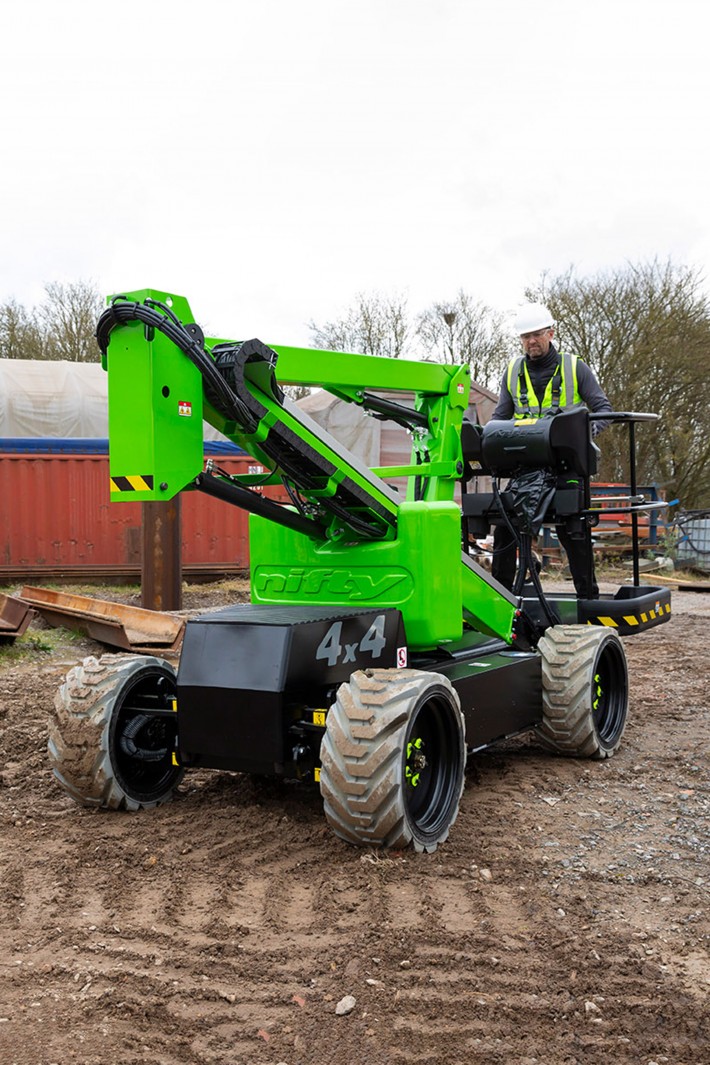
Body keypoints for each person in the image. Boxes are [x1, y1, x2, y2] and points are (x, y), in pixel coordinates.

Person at [489, 302, 612, 599]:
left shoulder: (574, 367)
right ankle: (501, 598)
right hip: (526, 467)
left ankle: (587, 597)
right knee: (506, 525)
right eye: (525, 336)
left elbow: (603, 409)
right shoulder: (512, 372)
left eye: (537, 334)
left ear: (550, 333)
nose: (531, 341)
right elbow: (499, 418)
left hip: (566, 467)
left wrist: (582, 437)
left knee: (573, 528)